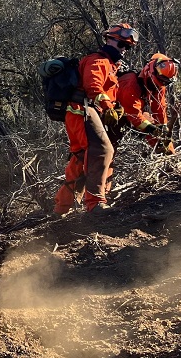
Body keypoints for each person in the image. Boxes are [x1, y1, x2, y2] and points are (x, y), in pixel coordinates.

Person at [55, 23, 138, 216]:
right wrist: (108, 107)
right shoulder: (98, 61)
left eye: (127, 47)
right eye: (121, 45)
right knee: (102, 150)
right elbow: (94, 88)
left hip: (78, 112)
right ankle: (95, 204)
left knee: (81, 158)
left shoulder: (110, 65)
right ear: (110, 40)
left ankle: (61, 208)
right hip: (80, 110)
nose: (124, 50)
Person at [119, 53, 179, 155]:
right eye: (161, 80)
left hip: (130, 113)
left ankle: (168, 157)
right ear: (150, 71)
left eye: (165, 82)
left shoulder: (159, 86)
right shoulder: (131, 84)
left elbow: (160, 110)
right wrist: (152, 129)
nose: (162, 84)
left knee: (156, 126)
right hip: (112, 114)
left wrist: (164, 129)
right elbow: (133, 114)